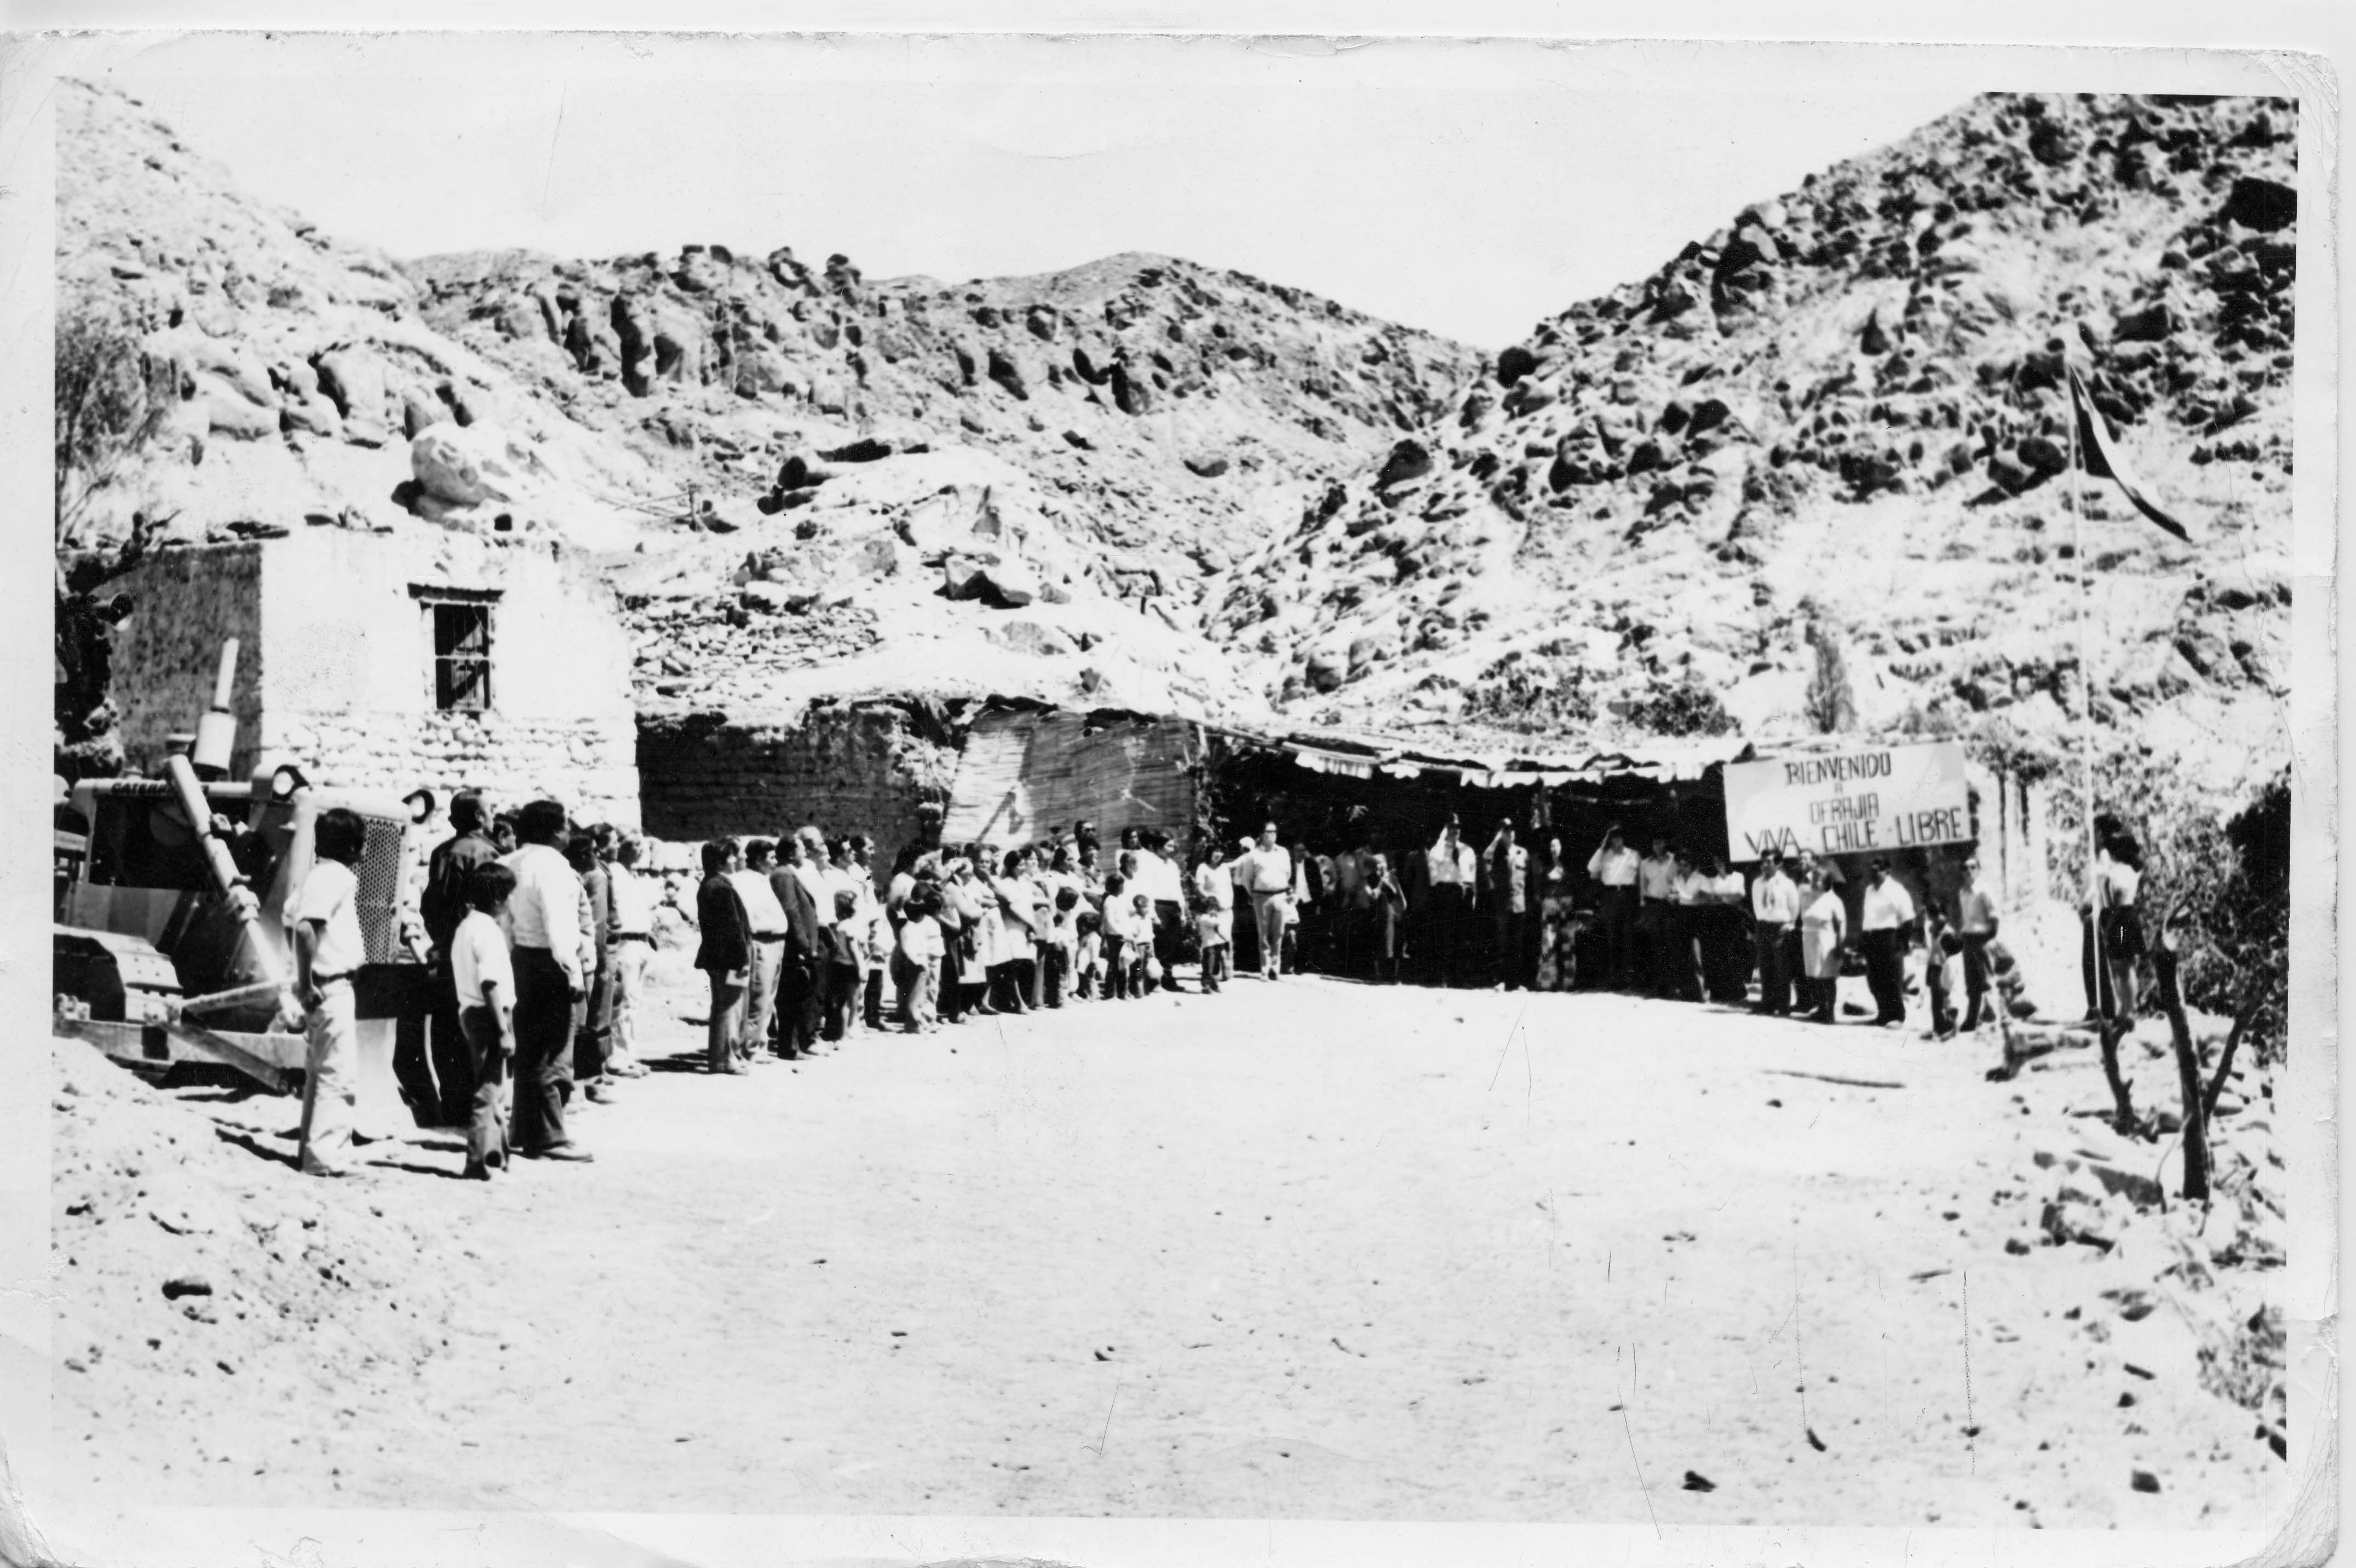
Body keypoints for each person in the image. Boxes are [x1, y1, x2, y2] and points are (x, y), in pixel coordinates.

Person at [500, 800, 590, 1161]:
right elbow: (559, 924)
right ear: (554, 830)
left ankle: (522, 1129)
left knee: (528, 1050)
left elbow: (503, 919)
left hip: (519, 958)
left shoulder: (510, 862)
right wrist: (573, 970)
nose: (570, 832)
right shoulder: (553, 866)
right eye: (566, 825)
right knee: (554, 1051)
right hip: (551, 961)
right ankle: (550, 1136)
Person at [289, 806, 370, 1178]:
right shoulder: (335, 877)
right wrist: (306, 985)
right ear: (354, 847)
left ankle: (312, 1149)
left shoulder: (316, 875)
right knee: (337, 1074)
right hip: (330, 985)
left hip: (323, 985)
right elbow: (305, 928)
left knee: (321, 1073)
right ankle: (326, 1157)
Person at [417, 789, 498, 1126]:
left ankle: (453, 1102)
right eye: (490, 810)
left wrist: (440, 937)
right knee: (480, 1025)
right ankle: (480, 1110)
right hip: (478, 950)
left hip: (447, 950)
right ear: (479, 817)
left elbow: (429, 904)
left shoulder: (440, 853)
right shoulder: (489, 854)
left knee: (447, 1027)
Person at [449, 861, 518, 1180]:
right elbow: (490, 982)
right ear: (499, 897)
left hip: (471, 1012)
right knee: (488, 1090)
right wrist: (503, 1029)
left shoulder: (466, 926)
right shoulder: (487, 930)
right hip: (487, 1015)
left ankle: (497, 1155)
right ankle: (478, 1160)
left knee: (495, 1087)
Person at [565, 832, 617, 1105]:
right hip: (585, 960)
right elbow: (595, 925)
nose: (598, 856)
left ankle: (590, 1081)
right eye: (594, 851)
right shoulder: (586, 878)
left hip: (583, 959)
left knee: (584, 1025)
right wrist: (599, 964)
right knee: (584, 1025)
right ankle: (589, 1084)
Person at [694, 840, 752, 1075]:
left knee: (724, 1006)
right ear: (722, 860)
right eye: (734, 856)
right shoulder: (719, 886)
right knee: (729, 1007)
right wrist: (741, 960)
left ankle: (724, 1056)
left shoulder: (714, 883)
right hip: (729, 958)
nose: (739, 859)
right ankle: (725, 1059)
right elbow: (731, 928)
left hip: (722, 957)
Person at [734, 840, 793, 1065]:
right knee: (758, 995)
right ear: (758, 860)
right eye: (771, 858)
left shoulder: (764, 880)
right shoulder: (744, 880)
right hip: (761, 940)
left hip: (776, 941)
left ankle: (760, 1043)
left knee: (769, 997)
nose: (775, 862)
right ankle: (751, 1046)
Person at [771, 832, 825, 1055]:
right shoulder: (784, 875)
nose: (806, 853)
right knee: (792, 995)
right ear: (792, 854)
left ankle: (794, 1045)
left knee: (797, 993)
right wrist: (804, 944)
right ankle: (789, 1047)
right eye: (802, 849)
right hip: (795, 945)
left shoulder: (789, 873)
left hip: (800, 943)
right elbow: (791, 911)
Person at [605, 836, 655, 1077]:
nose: (639, 851)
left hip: (641, 942)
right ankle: (617, 1058)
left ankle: (628, 1054)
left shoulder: (632, 875)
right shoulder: (613, 873)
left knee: (633, 1002)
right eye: (634, 846)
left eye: (641, 846)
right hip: (625, 942)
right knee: (623, 1002)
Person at [1858, 857, 1918, 1027]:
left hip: (1890, 937)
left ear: (1887, 872)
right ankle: (1883, 1015)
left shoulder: (1896, 890)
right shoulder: (1870, 890)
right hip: (1872, 937)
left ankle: (1897, 1016)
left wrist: (1902, 942)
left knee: (1892, 978)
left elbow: (1909, 918)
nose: (1873, 874)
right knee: (1875, 979)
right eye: (1871, 871)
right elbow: (1868, 917)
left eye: (1876, 871)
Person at [2097, 832, 2146, 1025]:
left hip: (2120, 920)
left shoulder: (2117, 872)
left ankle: (2126, 1012)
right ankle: (2127, 1010)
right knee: (2127, 967)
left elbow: (2116, 901)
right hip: (2129, 917)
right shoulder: (2132, 871)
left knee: (2121, 967)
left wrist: (2109, 926)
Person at [1423, 816, 1477, 986]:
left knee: (1462, 938)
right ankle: (1442, 977)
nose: (1456, 830)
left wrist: (1473, 895)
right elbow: (1433, 878)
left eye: (1458, 827)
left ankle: (1459, 978)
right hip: (1445, 894)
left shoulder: (1468, 850)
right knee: (1444, 937)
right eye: (1452, 827)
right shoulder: (1437, 851)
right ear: (1445, 829)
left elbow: (1472, 875)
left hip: (1464, 894)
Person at [1237, 825, 1295, 980]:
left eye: (1275, 832)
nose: (1273, 835)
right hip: (1261, 897)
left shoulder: (1283, 852)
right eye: (1269, 832)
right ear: (1262, 835)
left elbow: (1288, 874)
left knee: (1279, 934)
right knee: (1263, 935)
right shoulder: (1254, 855)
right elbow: (1246, 879)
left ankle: (1275, 969)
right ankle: (1265, 969)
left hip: (1280, 896)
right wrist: (1254, 894)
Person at [1587, 825, 1641, 989]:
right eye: (1612, 839)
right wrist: (1603, 846)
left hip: (1628, 896)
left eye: (1618, 839)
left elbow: (1640, 877)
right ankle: (1614, 979)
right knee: (1612, 938)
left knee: (1628, 937)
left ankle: (1629, 979)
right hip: (1610, 897)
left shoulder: (1633, 855)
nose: (1615, 842)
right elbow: (1591, 868)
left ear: (1623, 840)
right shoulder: (1605, 856)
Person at [1482, 819, 1531, 990]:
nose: (1509, 833)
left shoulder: (1522, 853)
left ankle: (1515, 983)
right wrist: (1497, 839)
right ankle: (1501, 981)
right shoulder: (1495, 853)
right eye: (1505, 830)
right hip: (1503, 903)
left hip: (1519, 903)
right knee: (1502, 942)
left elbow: (1529, 878)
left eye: (1511, 830)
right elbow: (1485, 858)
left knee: (1517, 944)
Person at [1749, 848, 1799, 1016]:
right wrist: (1762, 922)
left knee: (1782, 967)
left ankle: (1783, 1005)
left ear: (1779, 864)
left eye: (1769, 862)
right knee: (1765, 966)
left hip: (1781, 927)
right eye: (1762, 862)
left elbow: (1794, 907)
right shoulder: (1757, 883)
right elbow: (1757, 906)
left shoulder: (1787, 884)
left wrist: (1789, 924)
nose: (1764, 866)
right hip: (1764, 926)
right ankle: (1768, 1004)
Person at [1956, 854, 2000, 1033]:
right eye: (1966, 869)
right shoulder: (1963, 893)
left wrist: (1989, 937)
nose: (1969, 872)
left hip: (1983, 938)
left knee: (1987, 981)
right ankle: (1972, 1019)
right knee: (1971, 982)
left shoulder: (1985, 891)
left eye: (1973, 868)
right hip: (1968, 938)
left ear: (1979, 870)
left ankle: (1992, 1020)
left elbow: (1995, 916)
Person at [1797, 866, 1847, 1025]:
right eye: (1813, 879)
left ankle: (1829, 1013)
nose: (1813, 882)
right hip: (1809, 941)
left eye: (1817, 880)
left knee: (1827, 979)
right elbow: (1802, 886)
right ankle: (1820, 1009)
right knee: (1813, 978)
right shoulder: (1807, 898)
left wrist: (1840, 946)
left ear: (1826, 882)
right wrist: (1811, 875)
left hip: (1826, 942)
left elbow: (1841, 925)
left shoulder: (1833, 900)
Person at [893, 882, 944, 1031]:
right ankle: (916, 1021)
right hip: (920, 962)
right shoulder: (912, 927)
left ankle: (925, 1019)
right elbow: (911, 947)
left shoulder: (925, 923)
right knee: (917, 992)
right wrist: (919, 962)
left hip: (928, 960)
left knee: (930, 990)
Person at [1635, 833, 1680, 997]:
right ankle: (1658, 985)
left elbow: (1679, 881)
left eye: (1660, 842)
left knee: (1671, 944)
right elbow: (1643, 886)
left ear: (1666, 843)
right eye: (1655, 843)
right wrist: (1644, 905)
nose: (1658, 846)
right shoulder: (1646, 863)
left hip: (1670, 906)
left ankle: (1673, 985)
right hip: (1653, 905)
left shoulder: (1674, 860)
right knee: (1656, 945)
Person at [1534, 834, 1578, 991]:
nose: (1554, 849)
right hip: (1550, 909)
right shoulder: (1545, 870)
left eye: (1557, 846)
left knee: (1568, 945)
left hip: (1567, 909)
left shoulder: (1570, 869)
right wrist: (1549, 905)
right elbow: (1538, 894)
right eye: (1552, 846)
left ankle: (1569, 982)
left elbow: (1575, 891)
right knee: (1548, 945)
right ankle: (1547, 982)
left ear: (1562, 848)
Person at [821, 889, 864, 1041]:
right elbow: (854, 949)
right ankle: (845, 1034)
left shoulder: (835, 926)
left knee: (838, 1002)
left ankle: (836, 1032)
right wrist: (861, 967)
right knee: (850, 1002)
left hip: (838, 965)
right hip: (850, 966)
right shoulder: (850, 926)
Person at [1367, 851, 1407, 984]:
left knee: (1395, 944)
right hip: (1379, 914)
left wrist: (1386, 881)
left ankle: (1395, 976)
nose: (1380, 867)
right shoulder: (1373, 879)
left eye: (1382, 864)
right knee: (1379, 943)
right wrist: (1379, 883)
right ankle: (1378, 975)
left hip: (1393, 913)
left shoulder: (1392, 877)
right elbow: (1373, 896)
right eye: (1377, 865)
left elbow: (1398, 894)